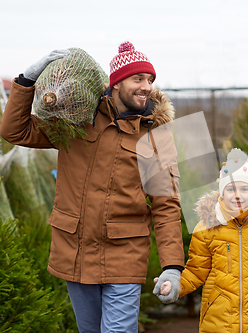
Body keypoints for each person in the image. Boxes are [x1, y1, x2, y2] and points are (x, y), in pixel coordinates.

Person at [0, 41, 184, 332]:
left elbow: (166, 205)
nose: (146, 86)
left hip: (125, 254)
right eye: (138, 79)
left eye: (150, 80)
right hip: (76, 252)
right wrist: (27, 81)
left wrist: (172, 267)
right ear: (115, 83)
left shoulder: (155, 136)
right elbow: (14, 131)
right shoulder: (77, 120)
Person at [155, 148, 248, 333]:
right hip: (218, 324)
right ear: (222, 191)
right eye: (231, 189)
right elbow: (196, 272)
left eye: (244, 189)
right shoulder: (205, 229)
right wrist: (175, 286)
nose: (237, 195)